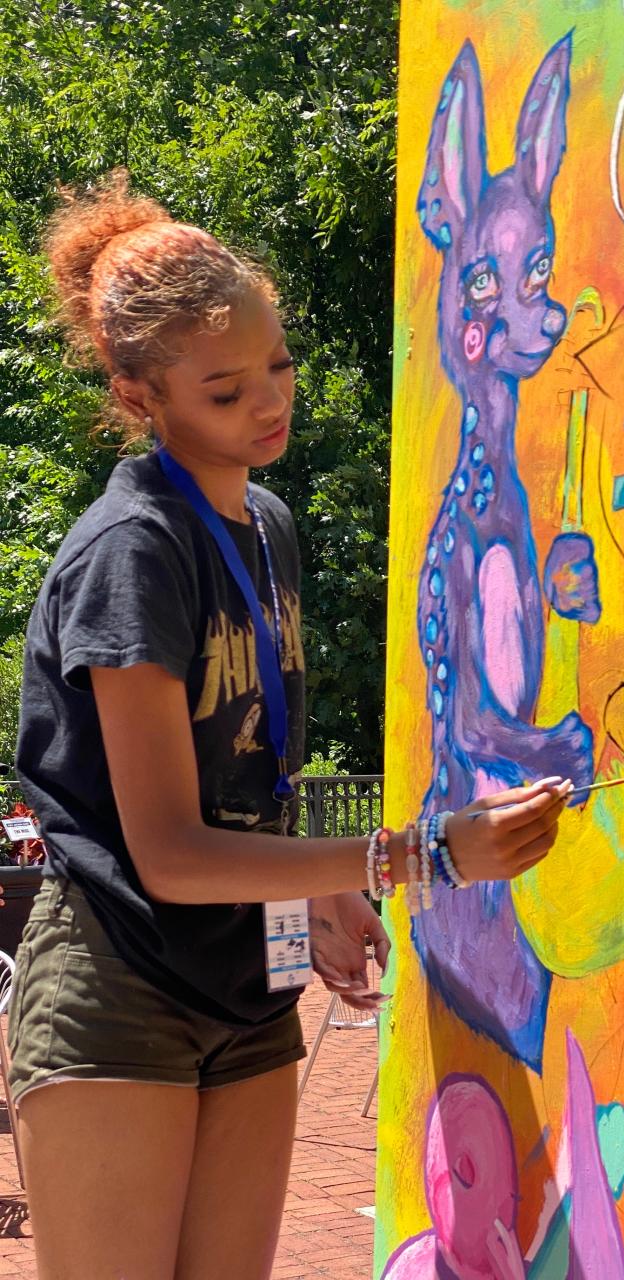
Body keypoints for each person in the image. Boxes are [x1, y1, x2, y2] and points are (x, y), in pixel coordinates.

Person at [10, 171, 572, 1280]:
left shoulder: (266, 524)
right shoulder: (134, 552)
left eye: (276, 362)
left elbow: (249, 764)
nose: (269, 401)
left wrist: (311, 884)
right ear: (141, 395)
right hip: (120, 988)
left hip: (246, 992)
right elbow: (167, 851)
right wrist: (413, 856)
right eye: (225, 389)